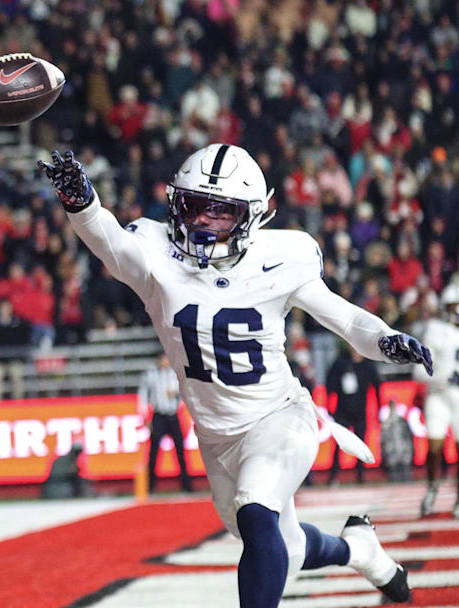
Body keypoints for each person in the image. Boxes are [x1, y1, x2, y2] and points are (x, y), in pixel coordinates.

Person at [40, 143, 430, 607]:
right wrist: (80, 200)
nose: (204, 220)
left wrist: (386, 339)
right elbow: (108, 239)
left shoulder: (282, 256)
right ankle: (361, 552)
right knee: (282, 544)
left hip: (279, 416)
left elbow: (346, 321)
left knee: (256, 511)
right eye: (194, 206)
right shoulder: (156, 256)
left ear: (251, 215)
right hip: (216, 435)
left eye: (221, 212)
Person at [414, 282, 459, 516]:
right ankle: (432, 490)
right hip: (439, 394)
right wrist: (442, 376)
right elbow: (419, 370)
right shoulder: (435, 330)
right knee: (434, 446)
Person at [324, 346, 380, 485]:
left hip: (360, 412)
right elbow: (330, 384)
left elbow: (377, 385)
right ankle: (333, 476)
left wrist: (379, 407)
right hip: (342, 411)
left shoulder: (367, 365)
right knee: (338, 444)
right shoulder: (341, 364)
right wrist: (329, 406)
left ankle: (360, 476)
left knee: (361, 444)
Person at [138, 352, 192, 492]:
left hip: (173, 415)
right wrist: (145, 417)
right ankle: (150, 485)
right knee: (154, 452)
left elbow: (186, 390)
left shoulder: (175, 373)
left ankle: (186, 484)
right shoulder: (151, 374)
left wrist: (176, 395)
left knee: (180, 451)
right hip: (159, 416)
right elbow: (143, 396)